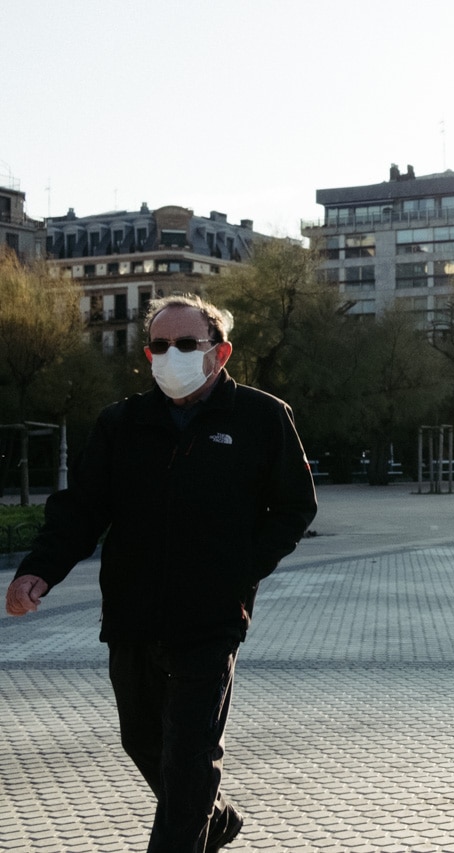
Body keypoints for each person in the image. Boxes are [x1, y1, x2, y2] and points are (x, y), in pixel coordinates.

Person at [5, 293, 317, 853]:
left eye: (185, 344)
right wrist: (38, 572)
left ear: (219, 353)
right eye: (159, 345)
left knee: (189, 755)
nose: (169, 354)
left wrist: (241, 570)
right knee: (142, 741)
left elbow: (294, 508)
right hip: (131, 612)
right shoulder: (122, 423)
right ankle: (213, 819)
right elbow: (82, 510)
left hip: (211, 616)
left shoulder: (261, 417)